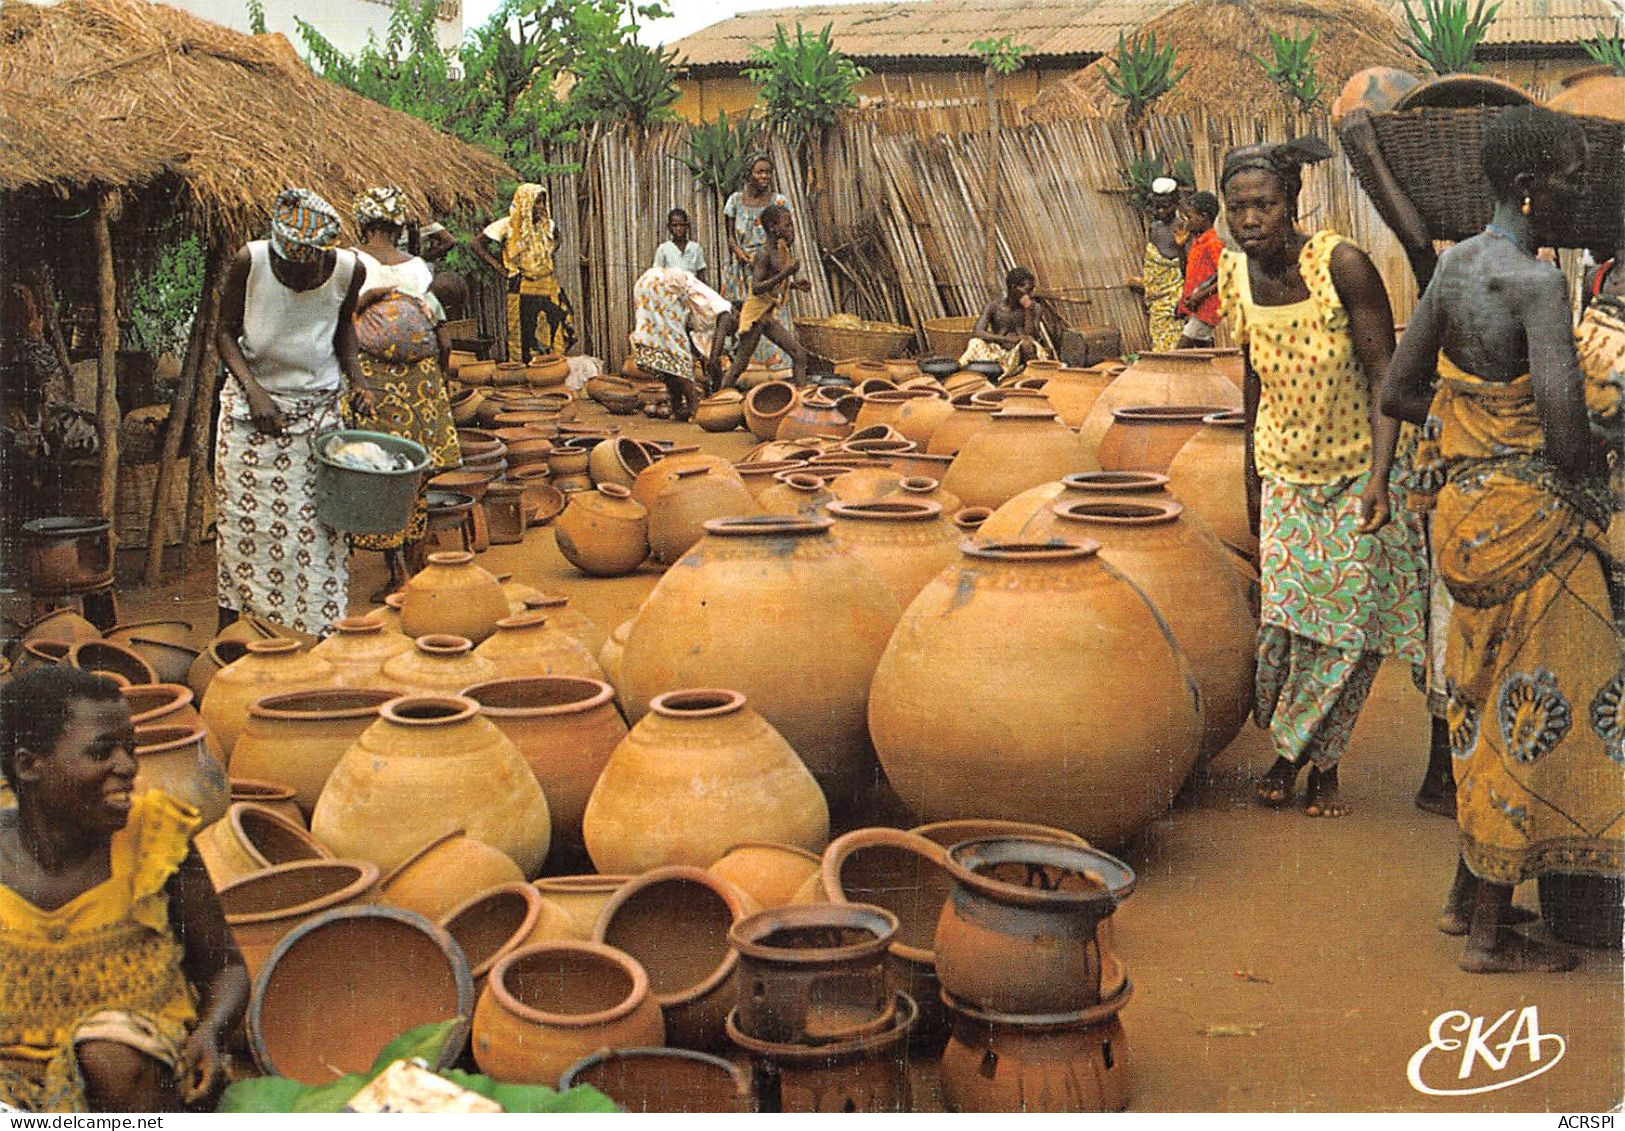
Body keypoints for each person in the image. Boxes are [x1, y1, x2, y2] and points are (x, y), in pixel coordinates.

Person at [1383, 106, 1618, 974]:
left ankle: (1462, 900)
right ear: (1528, 186)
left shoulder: (1452, 270)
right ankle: (1487, 935)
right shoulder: (1537, 283)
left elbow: (1401, 393)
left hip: (1465, 516)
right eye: (1565, 178)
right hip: (1529, 520)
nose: (1573, 191)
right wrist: (1602, 452)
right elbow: (1562, 436)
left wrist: (1470, 425)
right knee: (1533, 718)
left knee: (1482, 701)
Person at [1217, 138, 1428, 819]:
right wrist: (1250, 470)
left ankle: (1312, 763)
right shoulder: (1234, 274)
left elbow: (1384, 377)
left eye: (1264, 205)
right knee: (1283, 628)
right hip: (1283, 471)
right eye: (1237, 207)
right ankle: (1296, 743)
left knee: (1345, 634)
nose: (1249, 220)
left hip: (1353, 477)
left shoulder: (1341, 264)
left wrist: (1379, 475)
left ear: (1292, 203)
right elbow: (1252, 372)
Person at [0, 667, 248, 1112]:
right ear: (28, 765)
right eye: (102, 753)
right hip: (13, 1089)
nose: (128, 767)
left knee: (109, 1053)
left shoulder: (154, 840)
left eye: (129, 750)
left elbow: (225, 966)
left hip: (139, 1074)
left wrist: (210, 1031)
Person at [215, 188, 369, 637]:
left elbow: (343, 328)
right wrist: (255, 391)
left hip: (317, 415)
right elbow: (224, 334)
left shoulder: (348, 269)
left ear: (324, 257)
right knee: (248, 534)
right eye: (287, 265)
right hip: (252, 414)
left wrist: (357, 380)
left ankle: (318, 635)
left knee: (317, 533)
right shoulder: (253, 261)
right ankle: (239, 637)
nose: (294, 275)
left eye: (305, 268)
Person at [345, 186, 461, 599]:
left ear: (365, 223)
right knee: (415, 474)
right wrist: (442, 382)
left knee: (383, 469)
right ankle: (411, 564)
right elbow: (441, 332)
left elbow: (344, 321)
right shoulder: (417, 268)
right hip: (421, 380)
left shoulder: (353, 262)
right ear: (396, 225)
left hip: (375, 380)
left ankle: (399, 570)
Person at [472, 184, 576, 364]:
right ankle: (523, 376)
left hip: (547, 285)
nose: (541, 207)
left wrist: (546, 253)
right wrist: (501, 269)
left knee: (554, 327)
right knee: (522, 332)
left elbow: (558, 238)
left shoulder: (548, 225)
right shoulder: (508, 226)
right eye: (536, 203)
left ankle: (551, 371)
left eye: (543, 202)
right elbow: (476, 244)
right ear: (525, 203)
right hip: (521, 286)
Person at [629, 267, 739, 421]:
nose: (730, 333)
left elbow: (687, 335)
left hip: (646, 285)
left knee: (669, 354)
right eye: (734, 330)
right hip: (662, 287)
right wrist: (720, 392)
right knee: (678, 357)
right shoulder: (726, 314)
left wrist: (700, 356)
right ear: (737, 315)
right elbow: (714, 359)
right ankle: (694, 407)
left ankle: (677, 408)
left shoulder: (706, 317)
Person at [720, 204, 809, 389]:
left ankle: (800, 400)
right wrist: (787, 273)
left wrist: (794, 285)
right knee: (740, 364)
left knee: (799, 354)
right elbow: (757, 288)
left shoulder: (781, 250)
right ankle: (718, 400)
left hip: (767, 314)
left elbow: (773, 285)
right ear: (773, 228)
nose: (791, 228)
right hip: (755, 316)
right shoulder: (764, 254)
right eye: (788, 225)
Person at [722, 155, 794, 369]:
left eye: (768, 172)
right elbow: (729, 236)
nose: (765, 176)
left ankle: (774, 370)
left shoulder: (779, 202)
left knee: (770, 317)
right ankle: (742, 368)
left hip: (770, 270)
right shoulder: (735, 201)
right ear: (749, 175)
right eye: (759, 172)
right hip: (742, 272)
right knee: (744, 319)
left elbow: (789, 237)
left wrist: (778, 261)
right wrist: (738, 252)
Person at [959, 267, 1061, 379]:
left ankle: (1030, 377)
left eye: (1031, 290)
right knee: (975, 342)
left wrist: (1028, 310)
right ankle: (962, 372)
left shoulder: (1035, 308)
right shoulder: (994, 307)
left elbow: (1033, 335)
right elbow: (978, 331)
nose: (1030, 295)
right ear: (1013, 288)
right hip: (998, 350)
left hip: (1020, 352)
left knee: (1028, 344)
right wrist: (1003, 339)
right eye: (1027, 290)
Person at [1139, 177, 1187, 351]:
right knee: (1159, 342)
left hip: (1174, 295)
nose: (1161, 211)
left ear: (1176, 204)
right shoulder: (1154, 228)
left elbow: (1187, 268)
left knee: (1176, 343)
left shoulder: (1183, 228)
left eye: (1166, 206)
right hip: (1158, 299)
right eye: (1157, 207)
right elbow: (1152, 265)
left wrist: (1183, 299)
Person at [1177, 191, 1224, 349]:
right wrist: (1180, 248)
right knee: (1203, 350)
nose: (1187, 223)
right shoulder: (1199, 241)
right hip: (1198, 306)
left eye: (1190, 218)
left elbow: (1226, 275)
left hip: (1207, 307)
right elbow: (1188, 274)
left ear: (1204, 217)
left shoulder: (1213, 242)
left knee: (1180, 352)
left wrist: (1200, 296)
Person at [652, 208, 707, 279]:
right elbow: (657, 275)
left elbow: (701, 275)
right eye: (675, 225)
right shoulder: (663, 249)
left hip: (691, 288)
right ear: (669, 227)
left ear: (687, 226)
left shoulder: (696, 248)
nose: (678, 228)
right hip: (671, 288)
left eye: (682, 225)